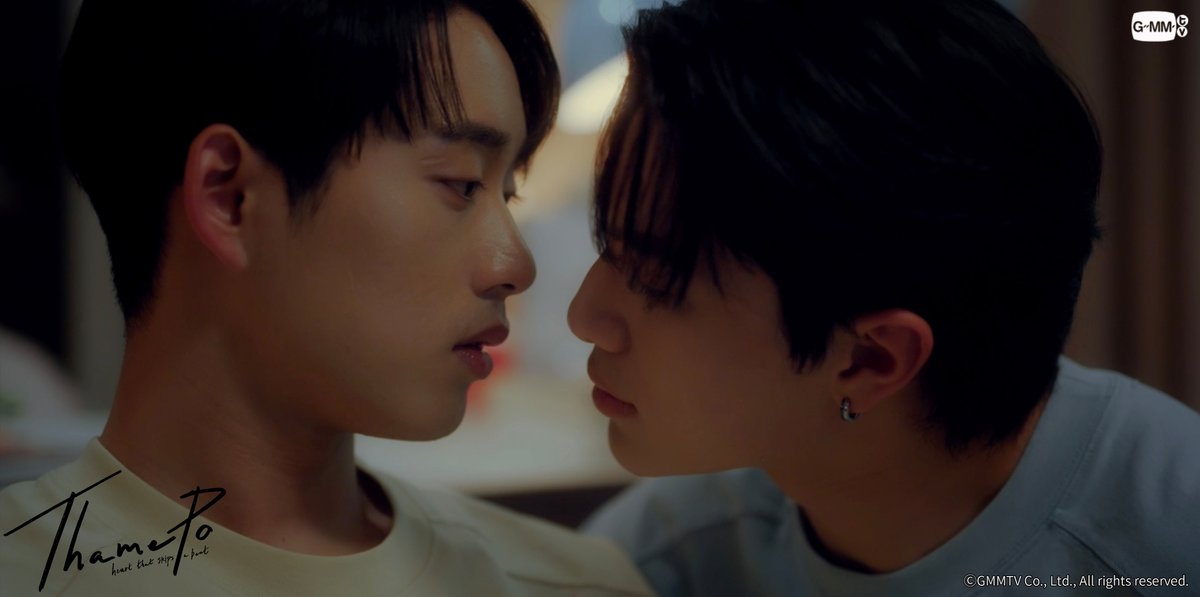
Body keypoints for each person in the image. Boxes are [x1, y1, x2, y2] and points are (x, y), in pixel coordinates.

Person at [0, 1, 653, 595]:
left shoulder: (572, 584)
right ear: (230, 197)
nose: (514, 265)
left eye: (506, 192)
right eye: (461, 184)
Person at [567, 0, 1200, 595]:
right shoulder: (673, 553)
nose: (583, 316)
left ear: (872, 359)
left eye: (655, 279)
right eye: (607, 246)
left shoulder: (1168, 542)